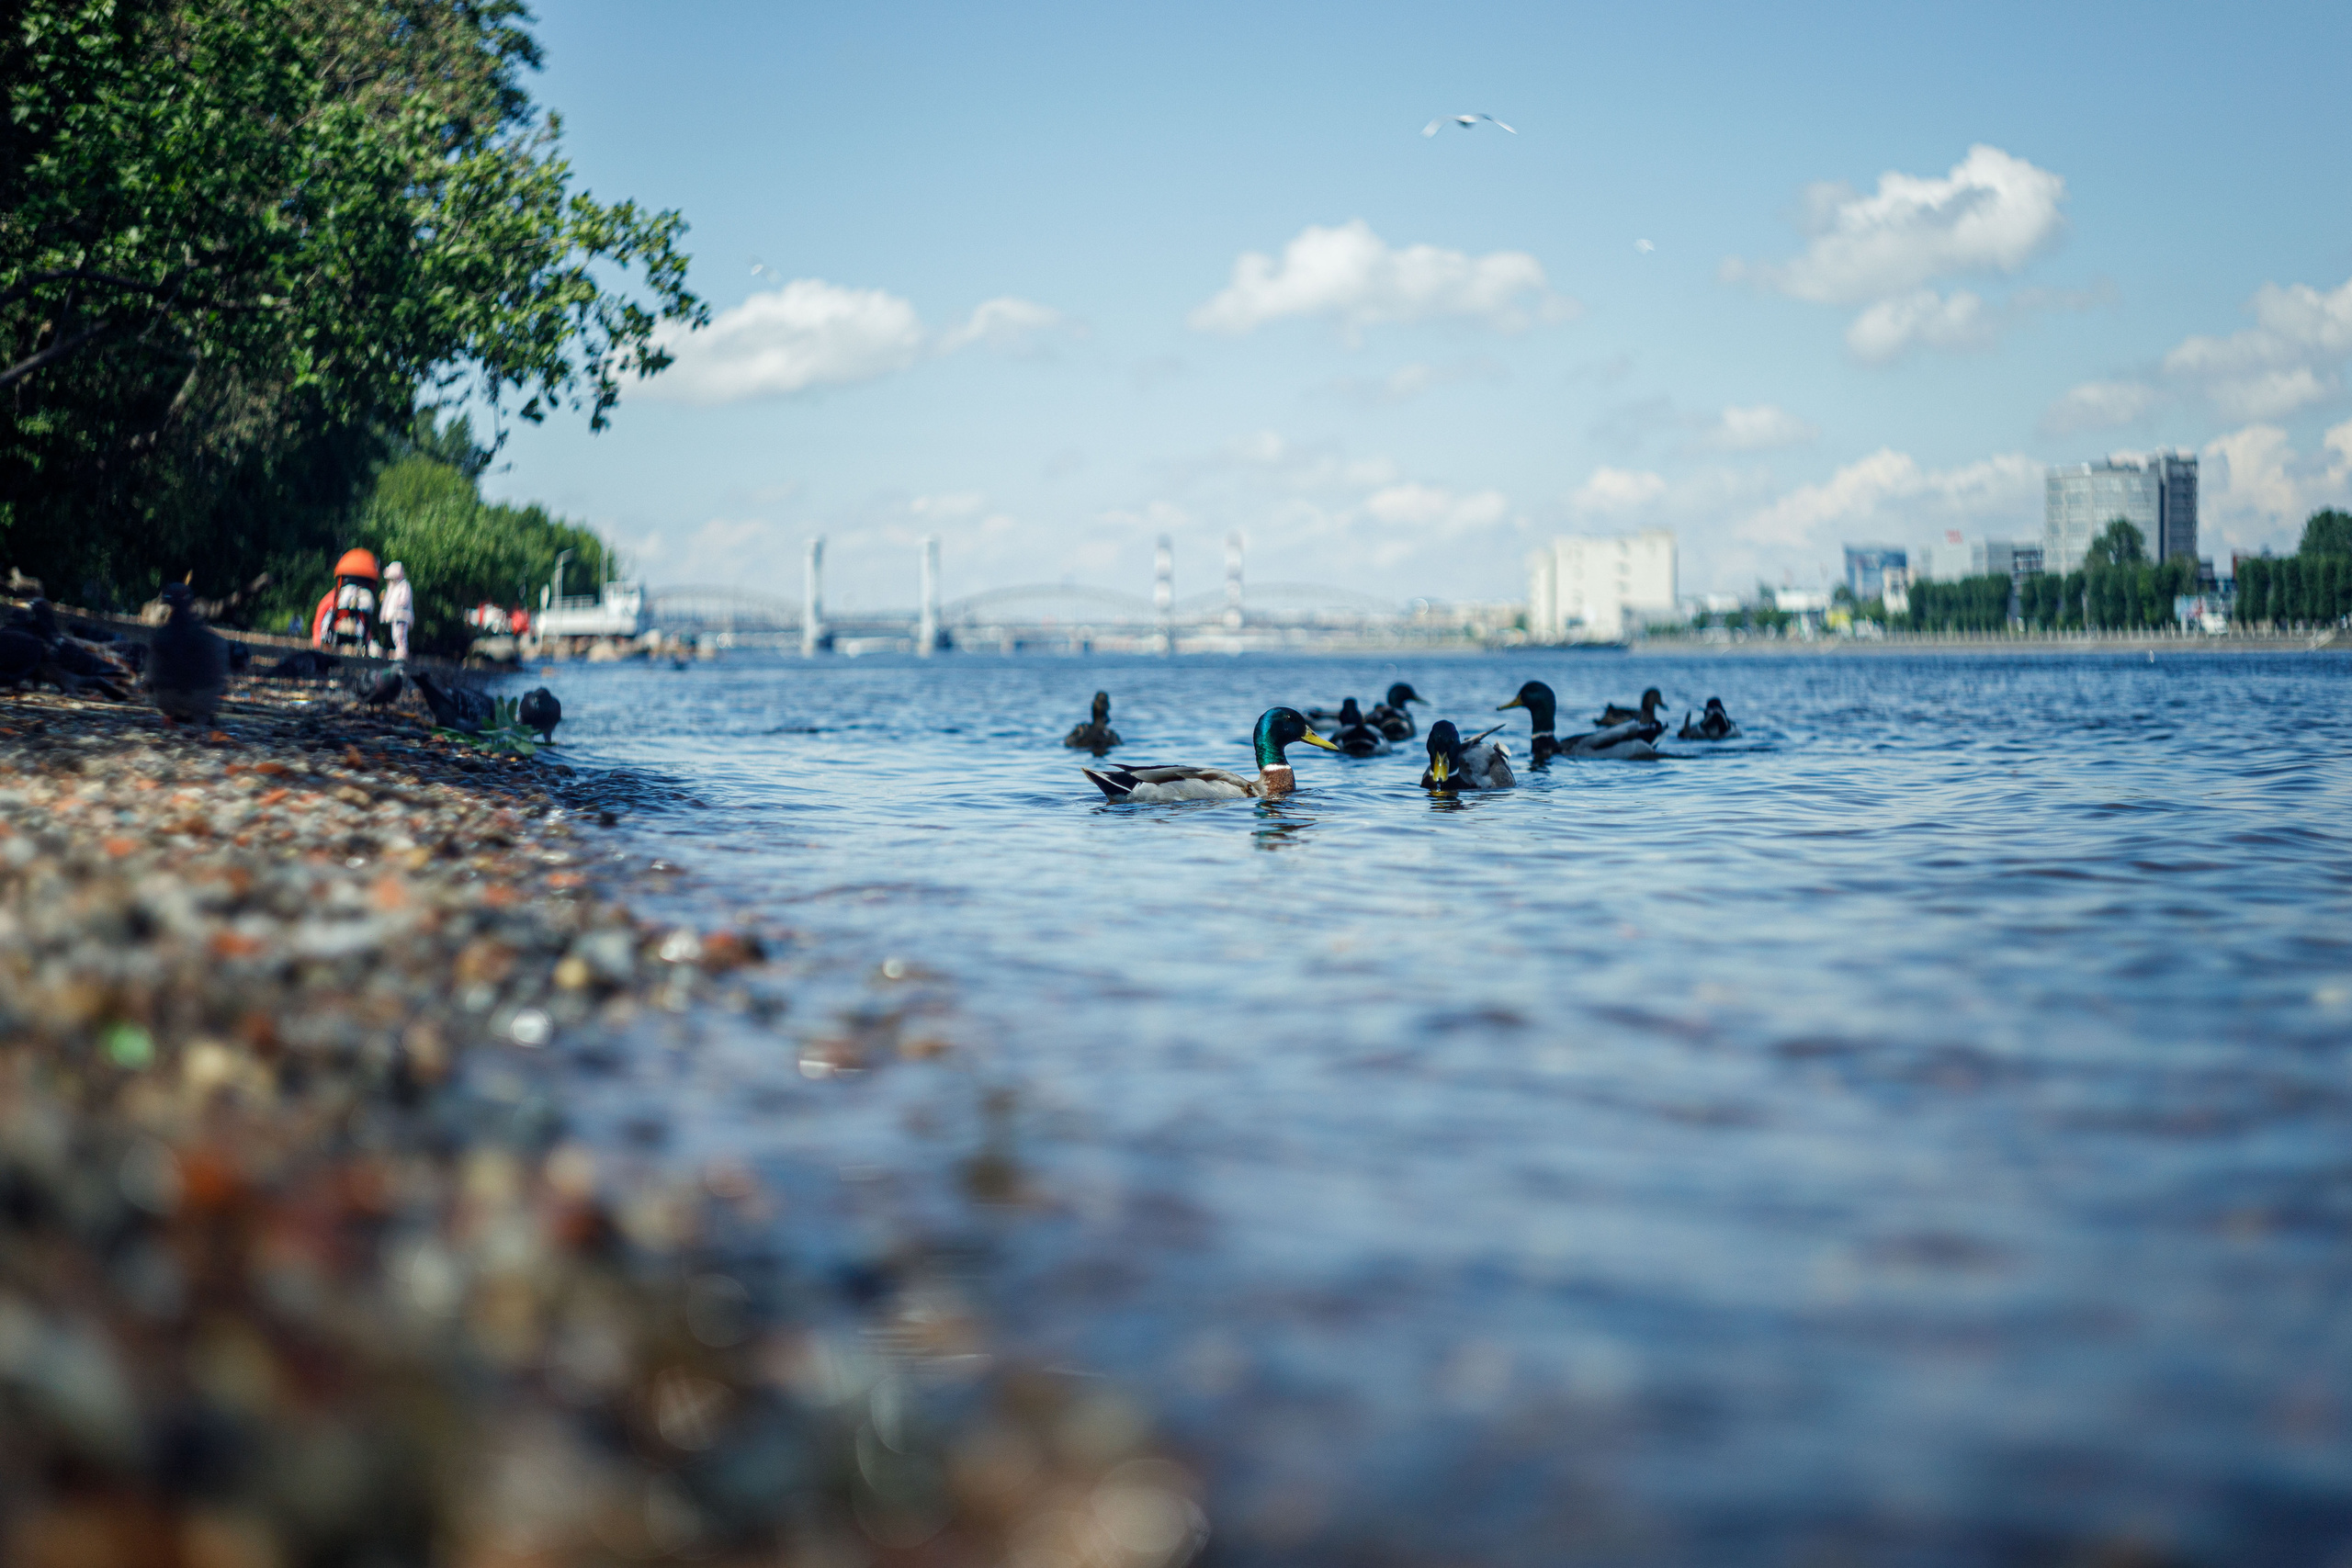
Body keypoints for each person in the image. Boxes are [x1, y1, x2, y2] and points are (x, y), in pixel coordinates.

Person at [311, 547, 380, 655]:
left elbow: (320, 618)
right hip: (342, 628)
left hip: (343, 629)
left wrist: (317, 641)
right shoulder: (336, 599)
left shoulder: (336, 598)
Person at [381, 560, 414, 662]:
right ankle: (399, 651)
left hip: (401, 616)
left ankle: (402, 652)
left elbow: (404, 600)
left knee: (400, 635)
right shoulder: (394, 588)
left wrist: (397, 605)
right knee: (396, 635)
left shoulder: (404, 585)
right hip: (395, 616)